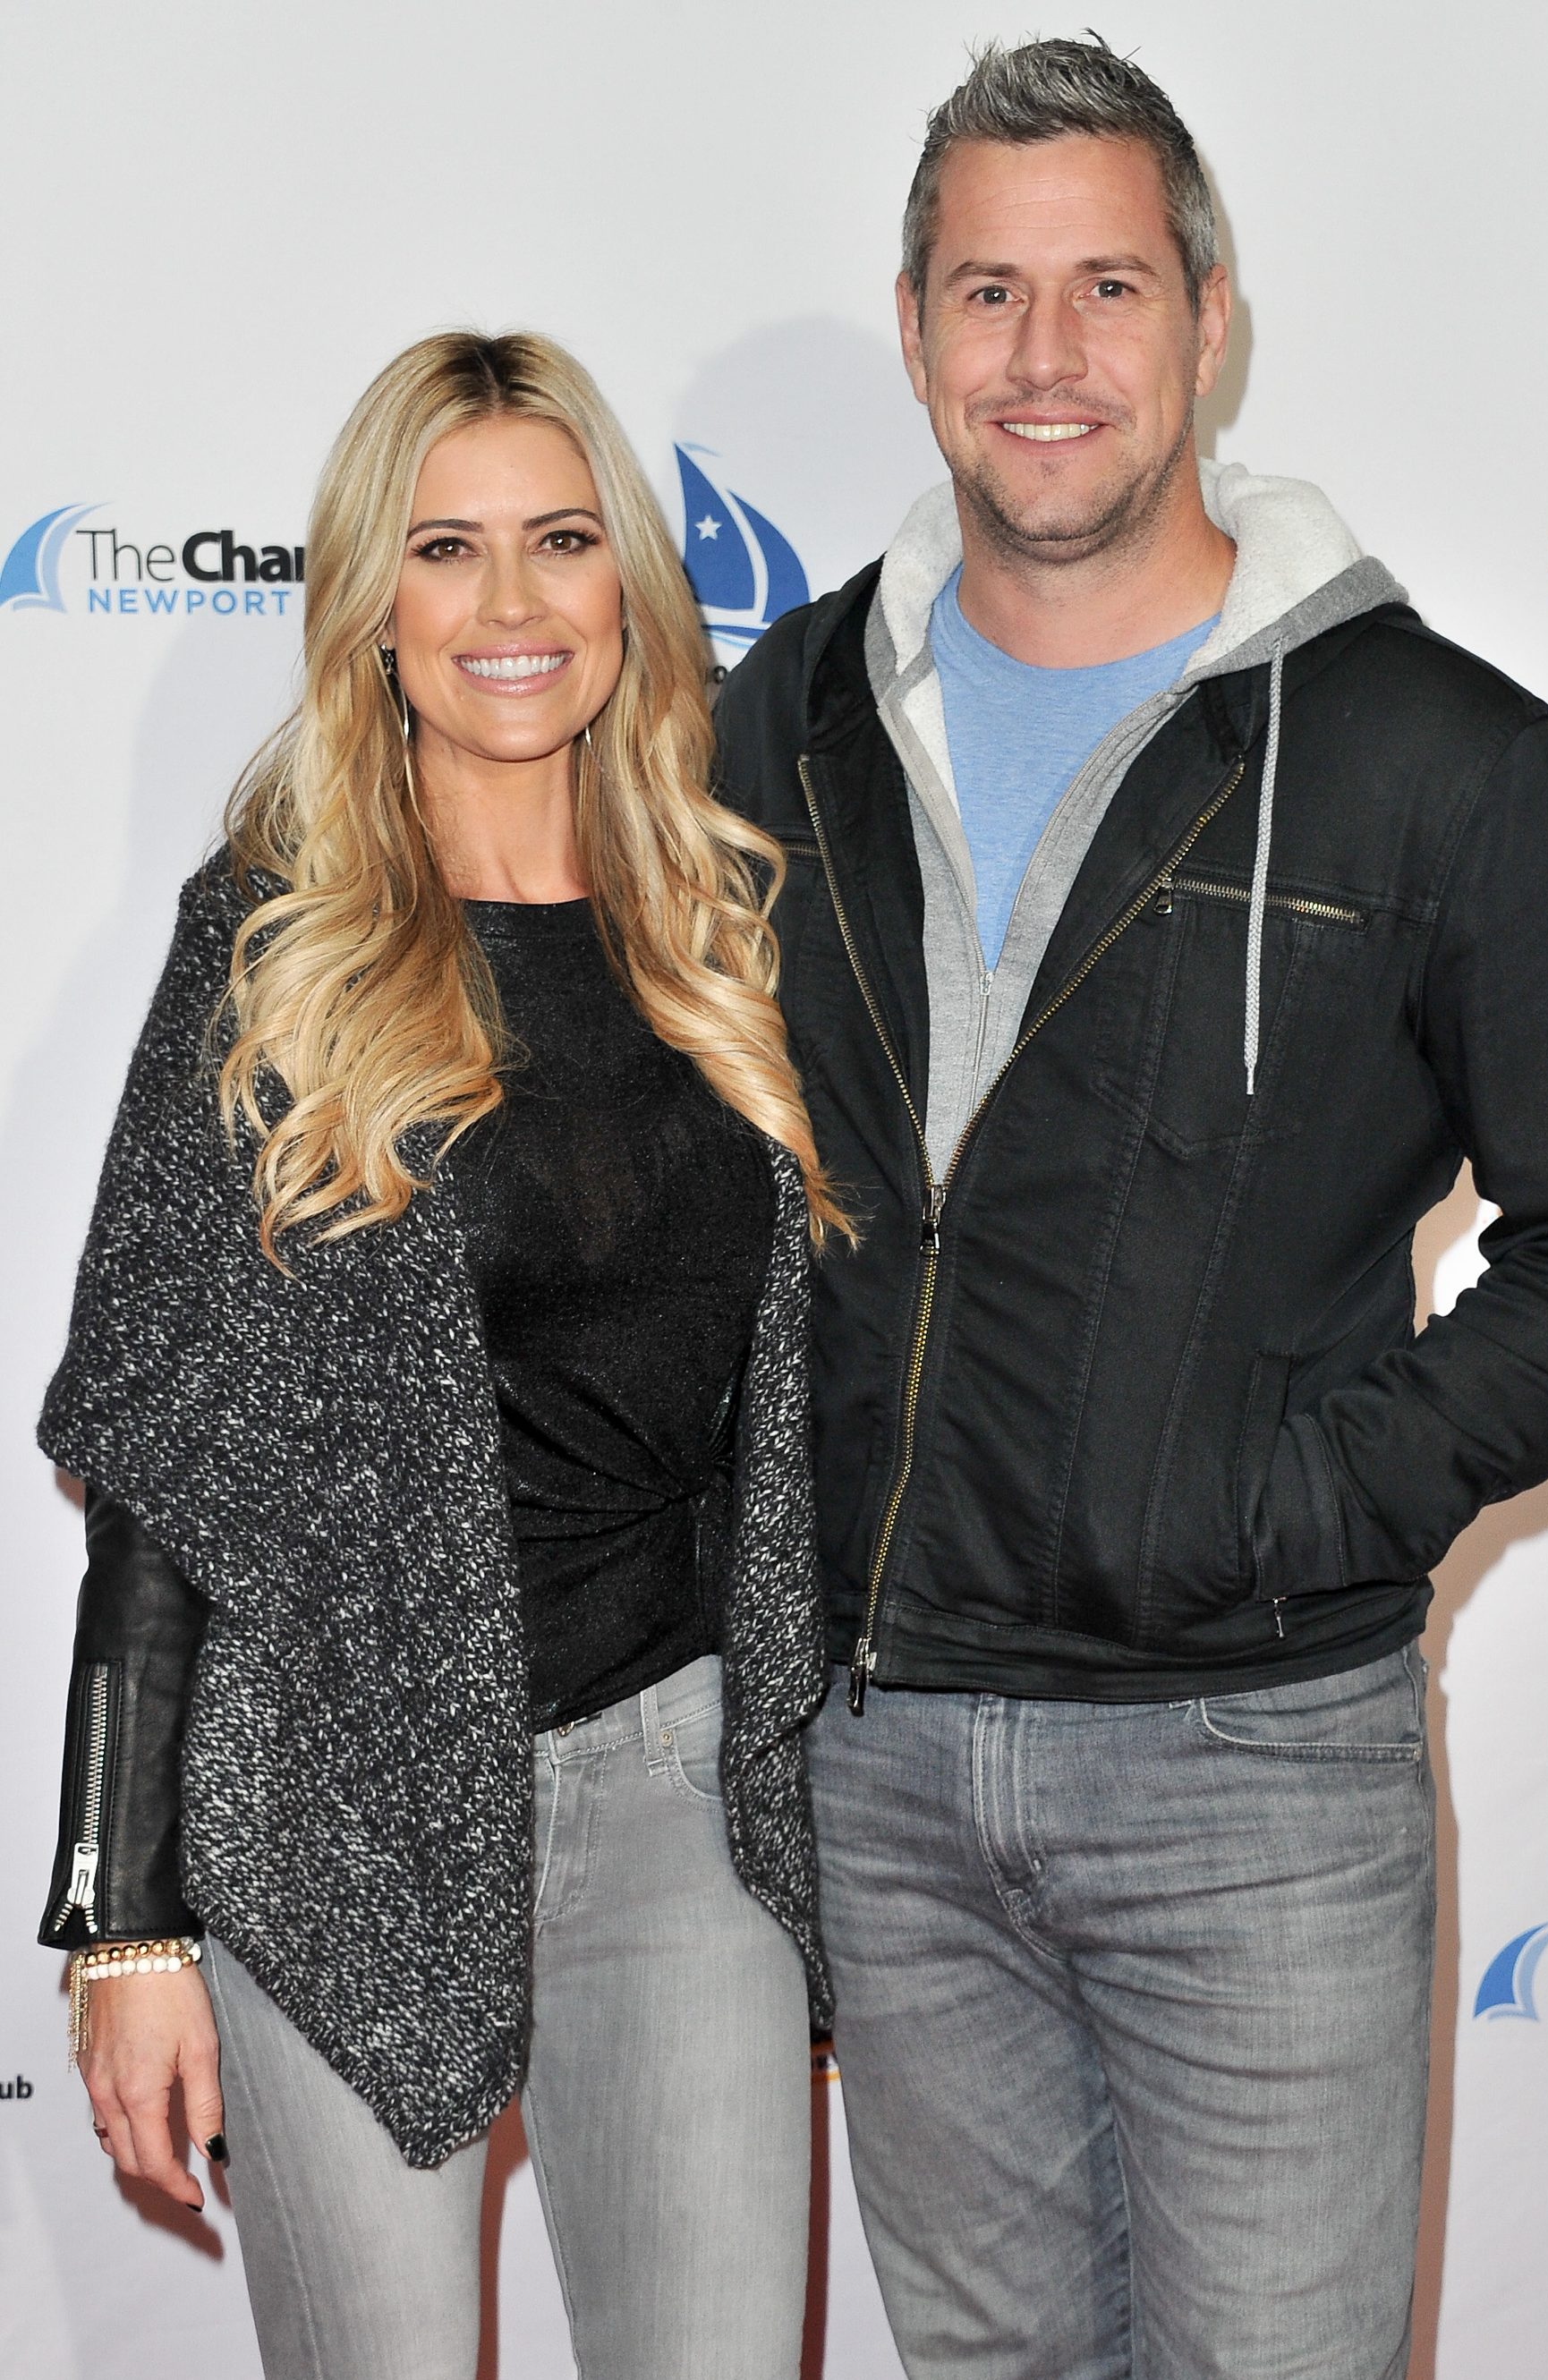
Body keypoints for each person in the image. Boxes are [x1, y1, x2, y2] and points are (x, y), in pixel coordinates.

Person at [713, 36, 1548, 2380]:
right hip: (876, 1764)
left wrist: (1294, 1497)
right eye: (987, 293)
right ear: (910, 328)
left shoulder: (1435, 758)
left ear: (1206, 317)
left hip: (1251, 1771)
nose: (1043, 360)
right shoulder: (773, 727)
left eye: (1102, 289)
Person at [38, 328, 838, 2380]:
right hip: (343, 1789)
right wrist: (121, 1917)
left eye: (559, 541)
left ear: (628, 589)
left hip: (688, 1795)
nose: (507, 606)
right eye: (444, 547)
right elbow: (159, 1450)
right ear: (366, 608)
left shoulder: (730, 931)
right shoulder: (275, 941)